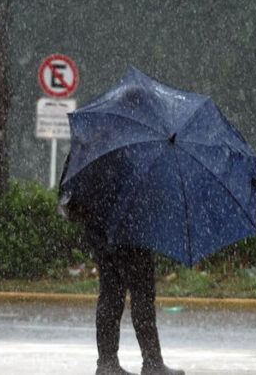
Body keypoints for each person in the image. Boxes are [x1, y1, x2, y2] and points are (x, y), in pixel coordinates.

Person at [59, 154, 184, 375]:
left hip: (100, 230)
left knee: (111, 293)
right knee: (141, 293)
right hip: (130, 229)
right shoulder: (132, 151)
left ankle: (107, 363)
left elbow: (69, 194)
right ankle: (152, 362)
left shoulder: (89, 147)